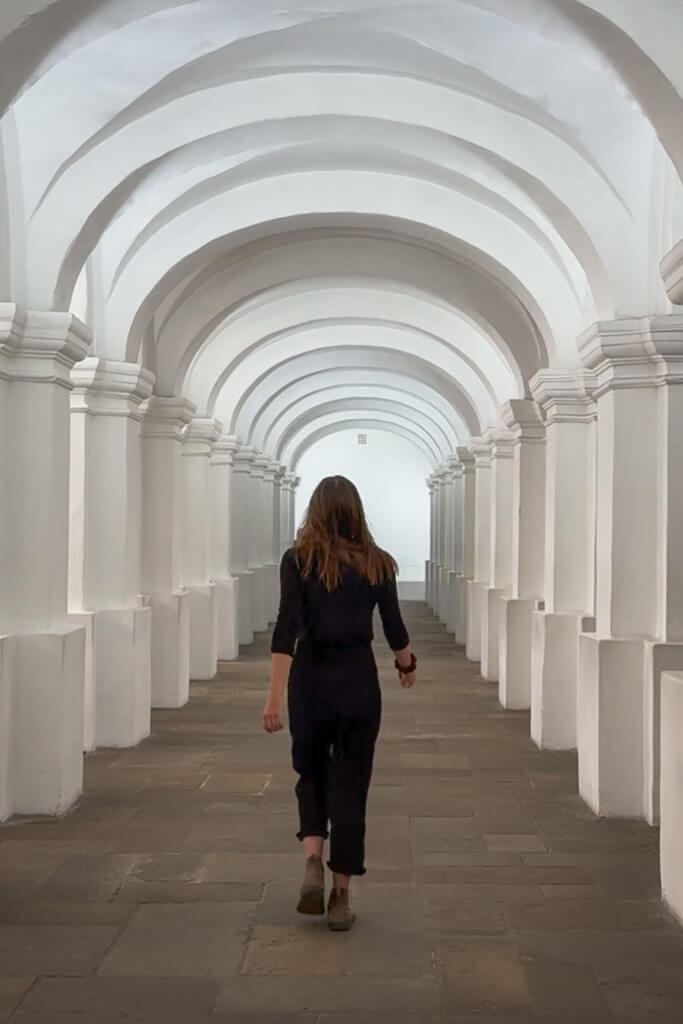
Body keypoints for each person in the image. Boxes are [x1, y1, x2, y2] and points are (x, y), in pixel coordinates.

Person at [262, 475, 417, 931]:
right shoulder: (378, 564)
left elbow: (285, 629)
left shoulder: (298, 561)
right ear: (356, 512)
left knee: (310, 774)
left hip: (309, 682)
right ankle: (341, 896)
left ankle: (313, 857)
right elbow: (395, 627)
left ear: (315, 511)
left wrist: (274, 697)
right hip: (357, 683)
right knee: (350, 785)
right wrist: (407, 666)